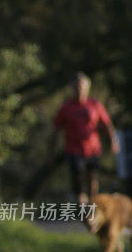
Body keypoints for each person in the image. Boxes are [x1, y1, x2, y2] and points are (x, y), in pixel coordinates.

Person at [49, 73, 120, 205]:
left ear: (87, 88)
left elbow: (107, 125)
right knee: (78, 177)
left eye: (82, 87)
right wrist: (51, 152)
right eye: (76, 87)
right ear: (72, 88)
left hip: (93, 148)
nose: (79, 89)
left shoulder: (94, 105)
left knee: (92, 177)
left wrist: (113, 141)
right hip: (74, 149)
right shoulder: (66, 107)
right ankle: (81, 203)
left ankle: (93, 203)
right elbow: (55, 130)